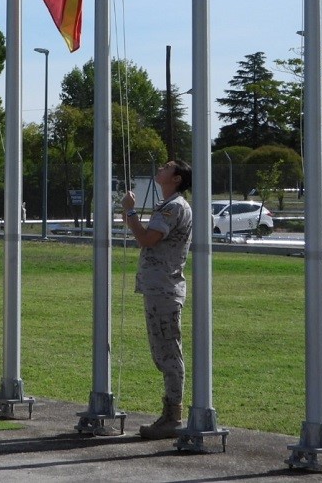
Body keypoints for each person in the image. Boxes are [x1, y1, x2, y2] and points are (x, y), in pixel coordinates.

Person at [120, 159, 193, 440]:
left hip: (164, 289)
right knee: (162, 351)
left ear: (176, 179)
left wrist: (130, 211)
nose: (160, 168)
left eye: (167, 167)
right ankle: (170, 413)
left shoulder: (174, 206)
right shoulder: (170, 205)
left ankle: (173, 417)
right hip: (159, 288)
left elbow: (147, 239)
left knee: (168, 352)